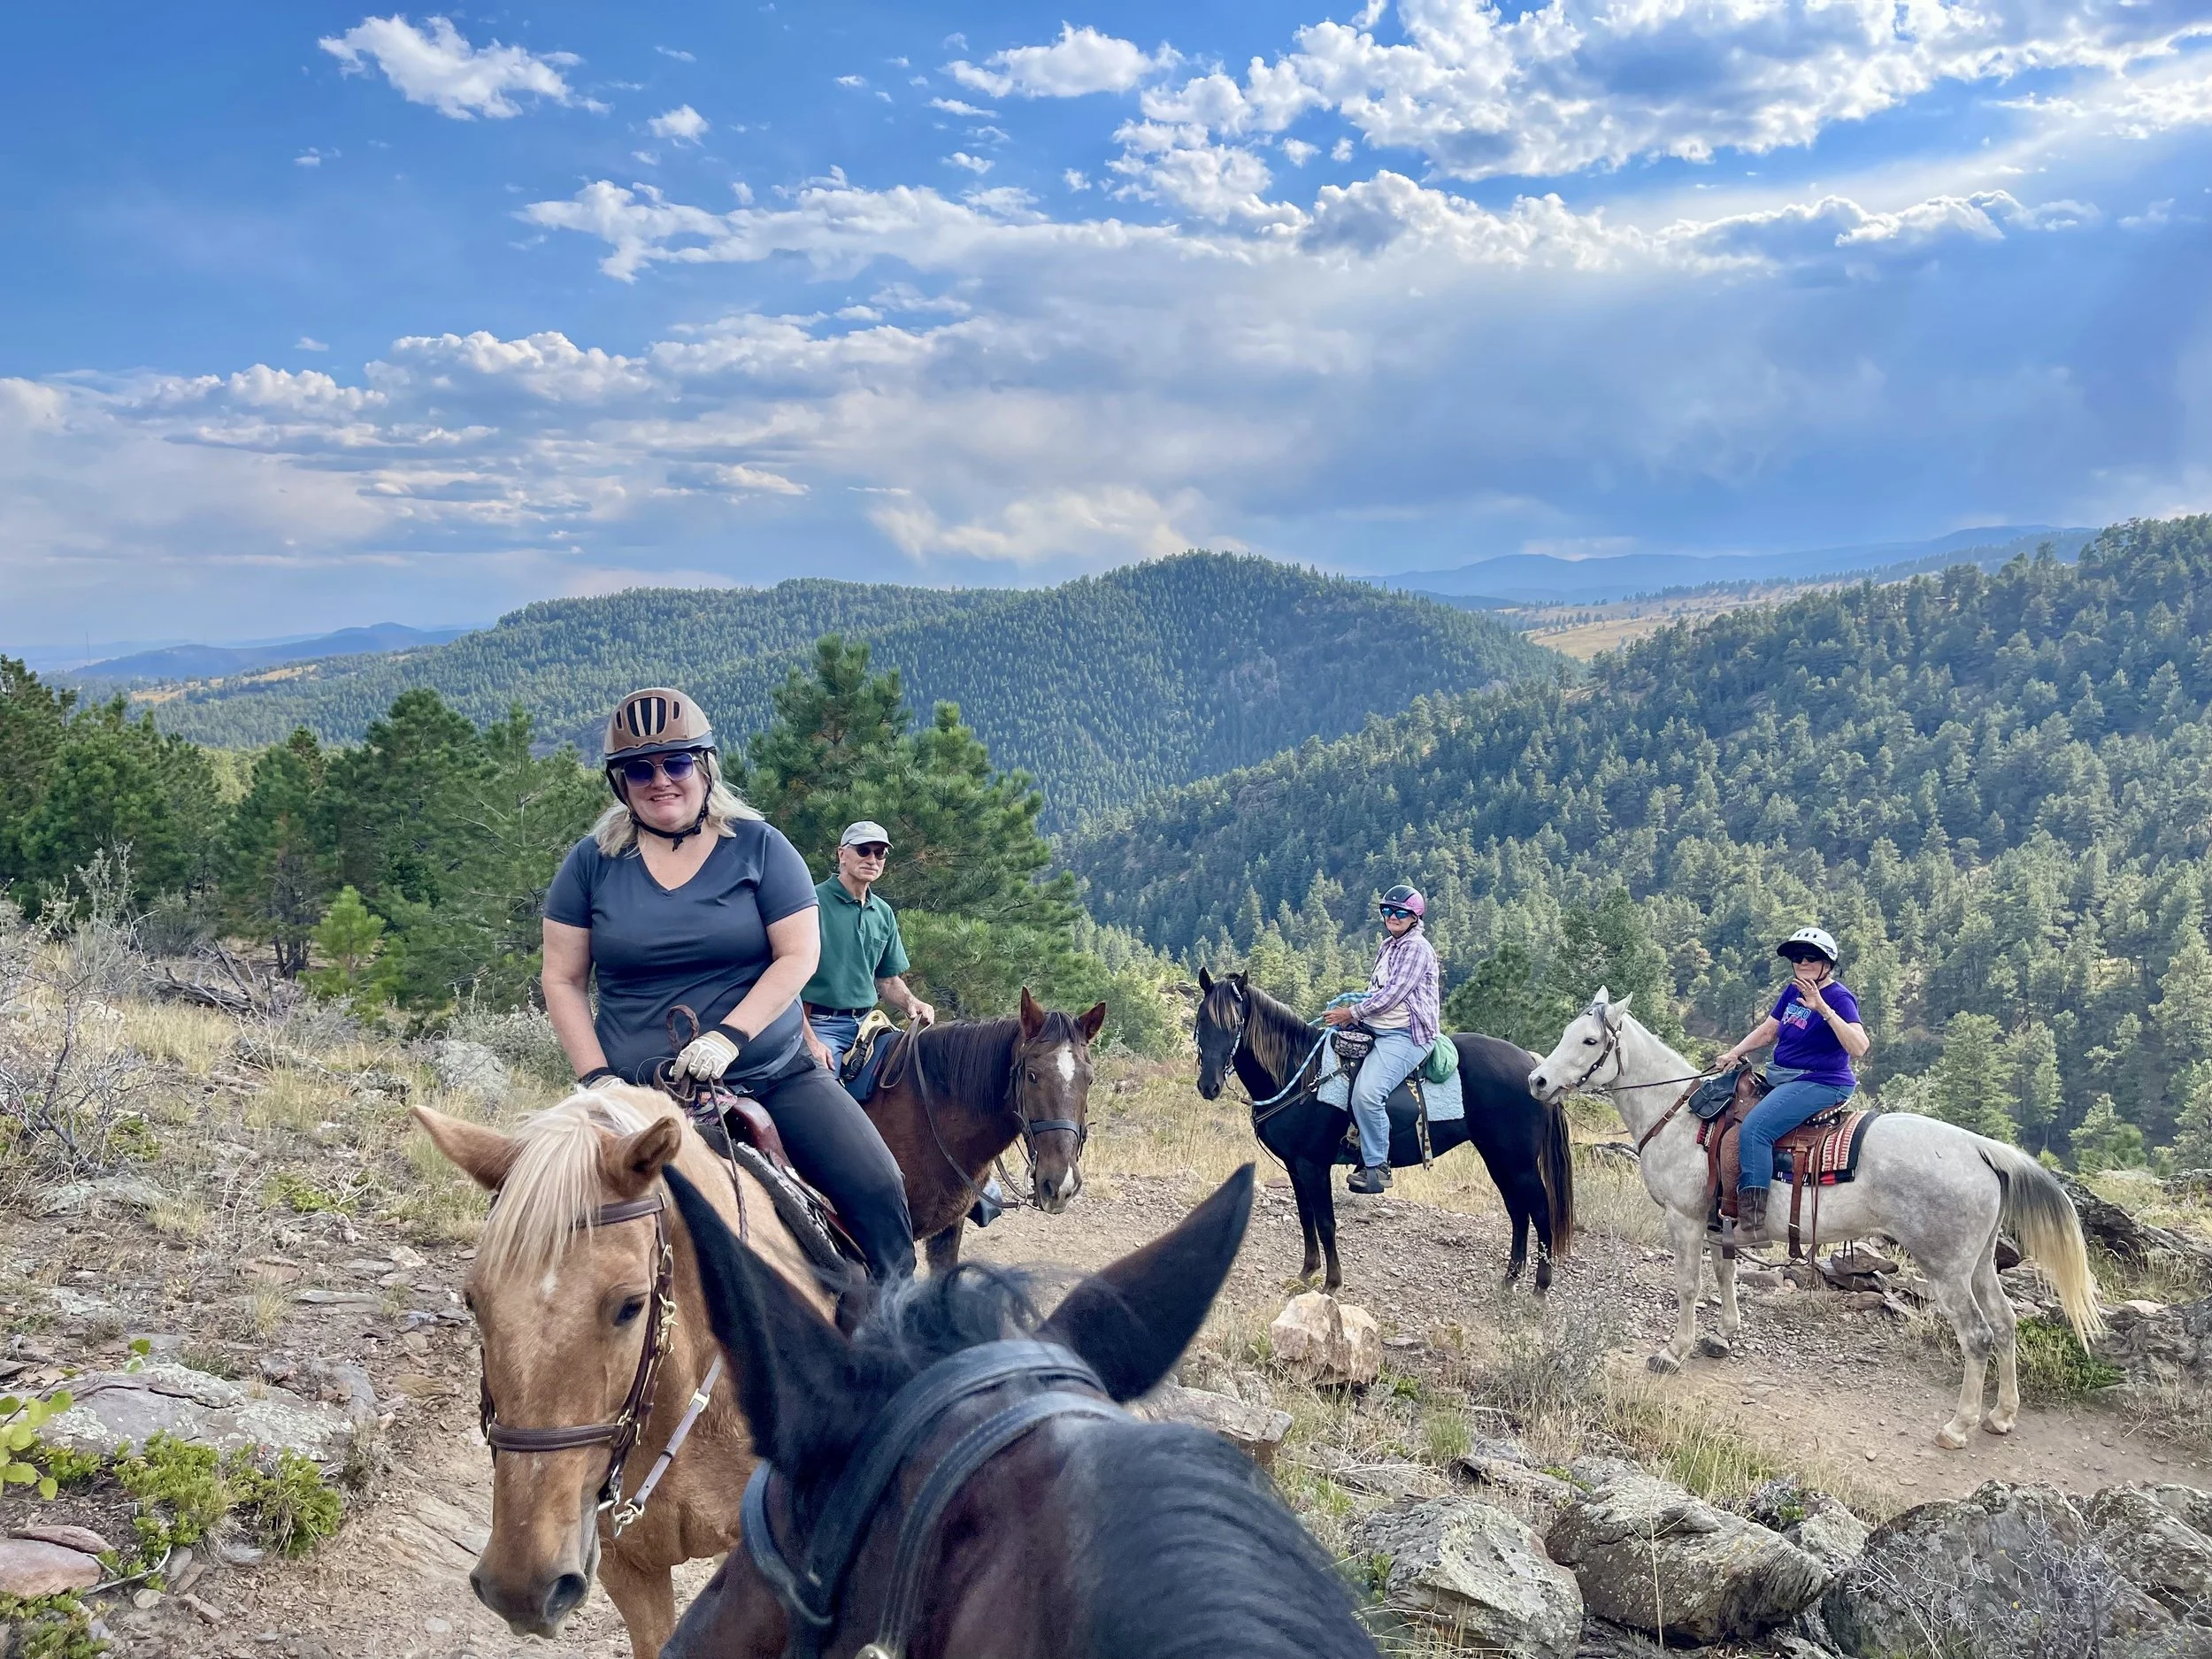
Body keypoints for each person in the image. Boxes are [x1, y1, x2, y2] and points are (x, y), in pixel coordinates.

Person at [540, 687, 916, 1283]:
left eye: (677, 762)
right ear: (621, 782)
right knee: (537, 1212)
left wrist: (728, 1037)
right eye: (640, 768)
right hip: (634, 1090)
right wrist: (597, 1078)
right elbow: (561, 977)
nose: (660, 779)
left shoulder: (761, 847)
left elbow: (798, 954)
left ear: (705, 766)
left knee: (877, 1184)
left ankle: (897, 1336)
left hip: (771, 1069)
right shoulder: (590, 864)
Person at [1714, 926, 1870, 1240]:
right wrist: (1735, 1052)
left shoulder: (1840, 997)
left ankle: (1752, 1224)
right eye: (1797, 956)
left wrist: (1823, 1008)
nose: (1802, 962)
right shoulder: (1792, 991)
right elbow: (1769, 1030)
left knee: (1756, 1129)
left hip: (1822, 1081)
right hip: (1784, 1076)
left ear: (1828, 963)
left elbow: (1859, 1047)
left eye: (1811, 957)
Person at [1323, 883, 1440, 1196]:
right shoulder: (1388, 946)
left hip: (1405, 1035)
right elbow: (1377, 989)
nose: (1392, 917)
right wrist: (1354, 1016)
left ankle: (1376, 1166)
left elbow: (1392, 996)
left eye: (1401, 912)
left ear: (1415, 917)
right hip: (1377, 1026)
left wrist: (1352, 1013)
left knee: (1366, 1094)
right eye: (1387, 911)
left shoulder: (1416, 948)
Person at [800, 820, 936, 1076]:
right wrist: (810, 1041)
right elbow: (784, 982)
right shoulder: (811, 903)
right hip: (819, 1025)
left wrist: (912, 1002)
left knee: (917, 1075)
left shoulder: (883, 913)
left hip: (869, 1025)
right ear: (842, 854)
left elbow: (887, 981)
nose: (872, 859)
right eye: (863, 850)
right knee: (819, 1091)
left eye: (880, 852)